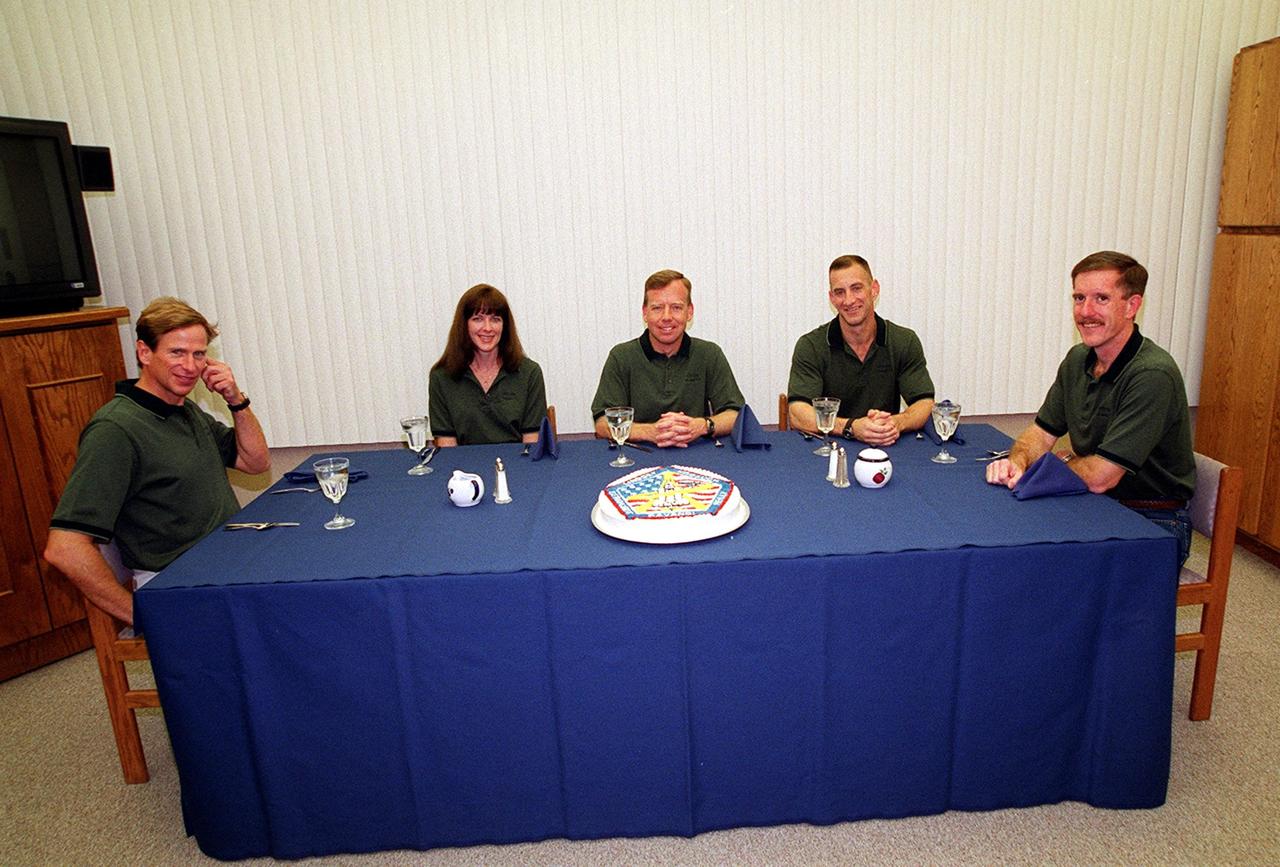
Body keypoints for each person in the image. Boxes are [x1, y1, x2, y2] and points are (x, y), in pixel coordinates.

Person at [44, 297, 270, 626]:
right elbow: (64, 548)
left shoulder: (183, 409)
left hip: (227, 564)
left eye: (199, 354)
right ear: (144, 353)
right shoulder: (115, 430)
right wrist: (142, 616)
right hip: (179, 583)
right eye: (176, 352)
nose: (190, 367)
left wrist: (236, 400)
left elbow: (256, 462)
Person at [985, 251, 1196, 563]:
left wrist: (1040, 474)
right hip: (1094, 502)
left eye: (1101, 299)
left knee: (1035, 565)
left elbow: (1101, 477)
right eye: (1079, 297)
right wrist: (1018, 462)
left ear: (1132, 306)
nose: (1085, 311)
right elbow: (1040, 435)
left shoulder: (1152, 374)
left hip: (1151, 521)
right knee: (1001, 535)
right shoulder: (1077, 359)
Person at [787, 254, 935, 445]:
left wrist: (896, 423)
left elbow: (925, 403)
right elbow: (797, 413)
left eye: (856, 288)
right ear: (831, 298)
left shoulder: (904, 341)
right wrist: (851, 427)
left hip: (886, 446)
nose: (848, 300)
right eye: (839, 292)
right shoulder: (811, 346)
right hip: (827, 450)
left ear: (874, 289)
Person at [591, 269, 743, 448]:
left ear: (689, 312)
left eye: (676, 307)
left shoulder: (709, 354)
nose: (666, 317)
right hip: (638, 455)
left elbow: (736, 415)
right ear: (645, 313)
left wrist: (700, 426)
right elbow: (602, 424)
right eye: (657, 308)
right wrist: (651, 432)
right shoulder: (621, 356)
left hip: (697, 453)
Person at [429, 284, 547, 446]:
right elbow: (448, 449)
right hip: (464, 469)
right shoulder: (441, 376)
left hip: (517, 467)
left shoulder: (529, 373)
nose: (487, 328)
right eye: (478, 319)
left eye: (495, 319)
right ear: (464, 325)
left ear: (504, 326)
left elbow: (531, 445)